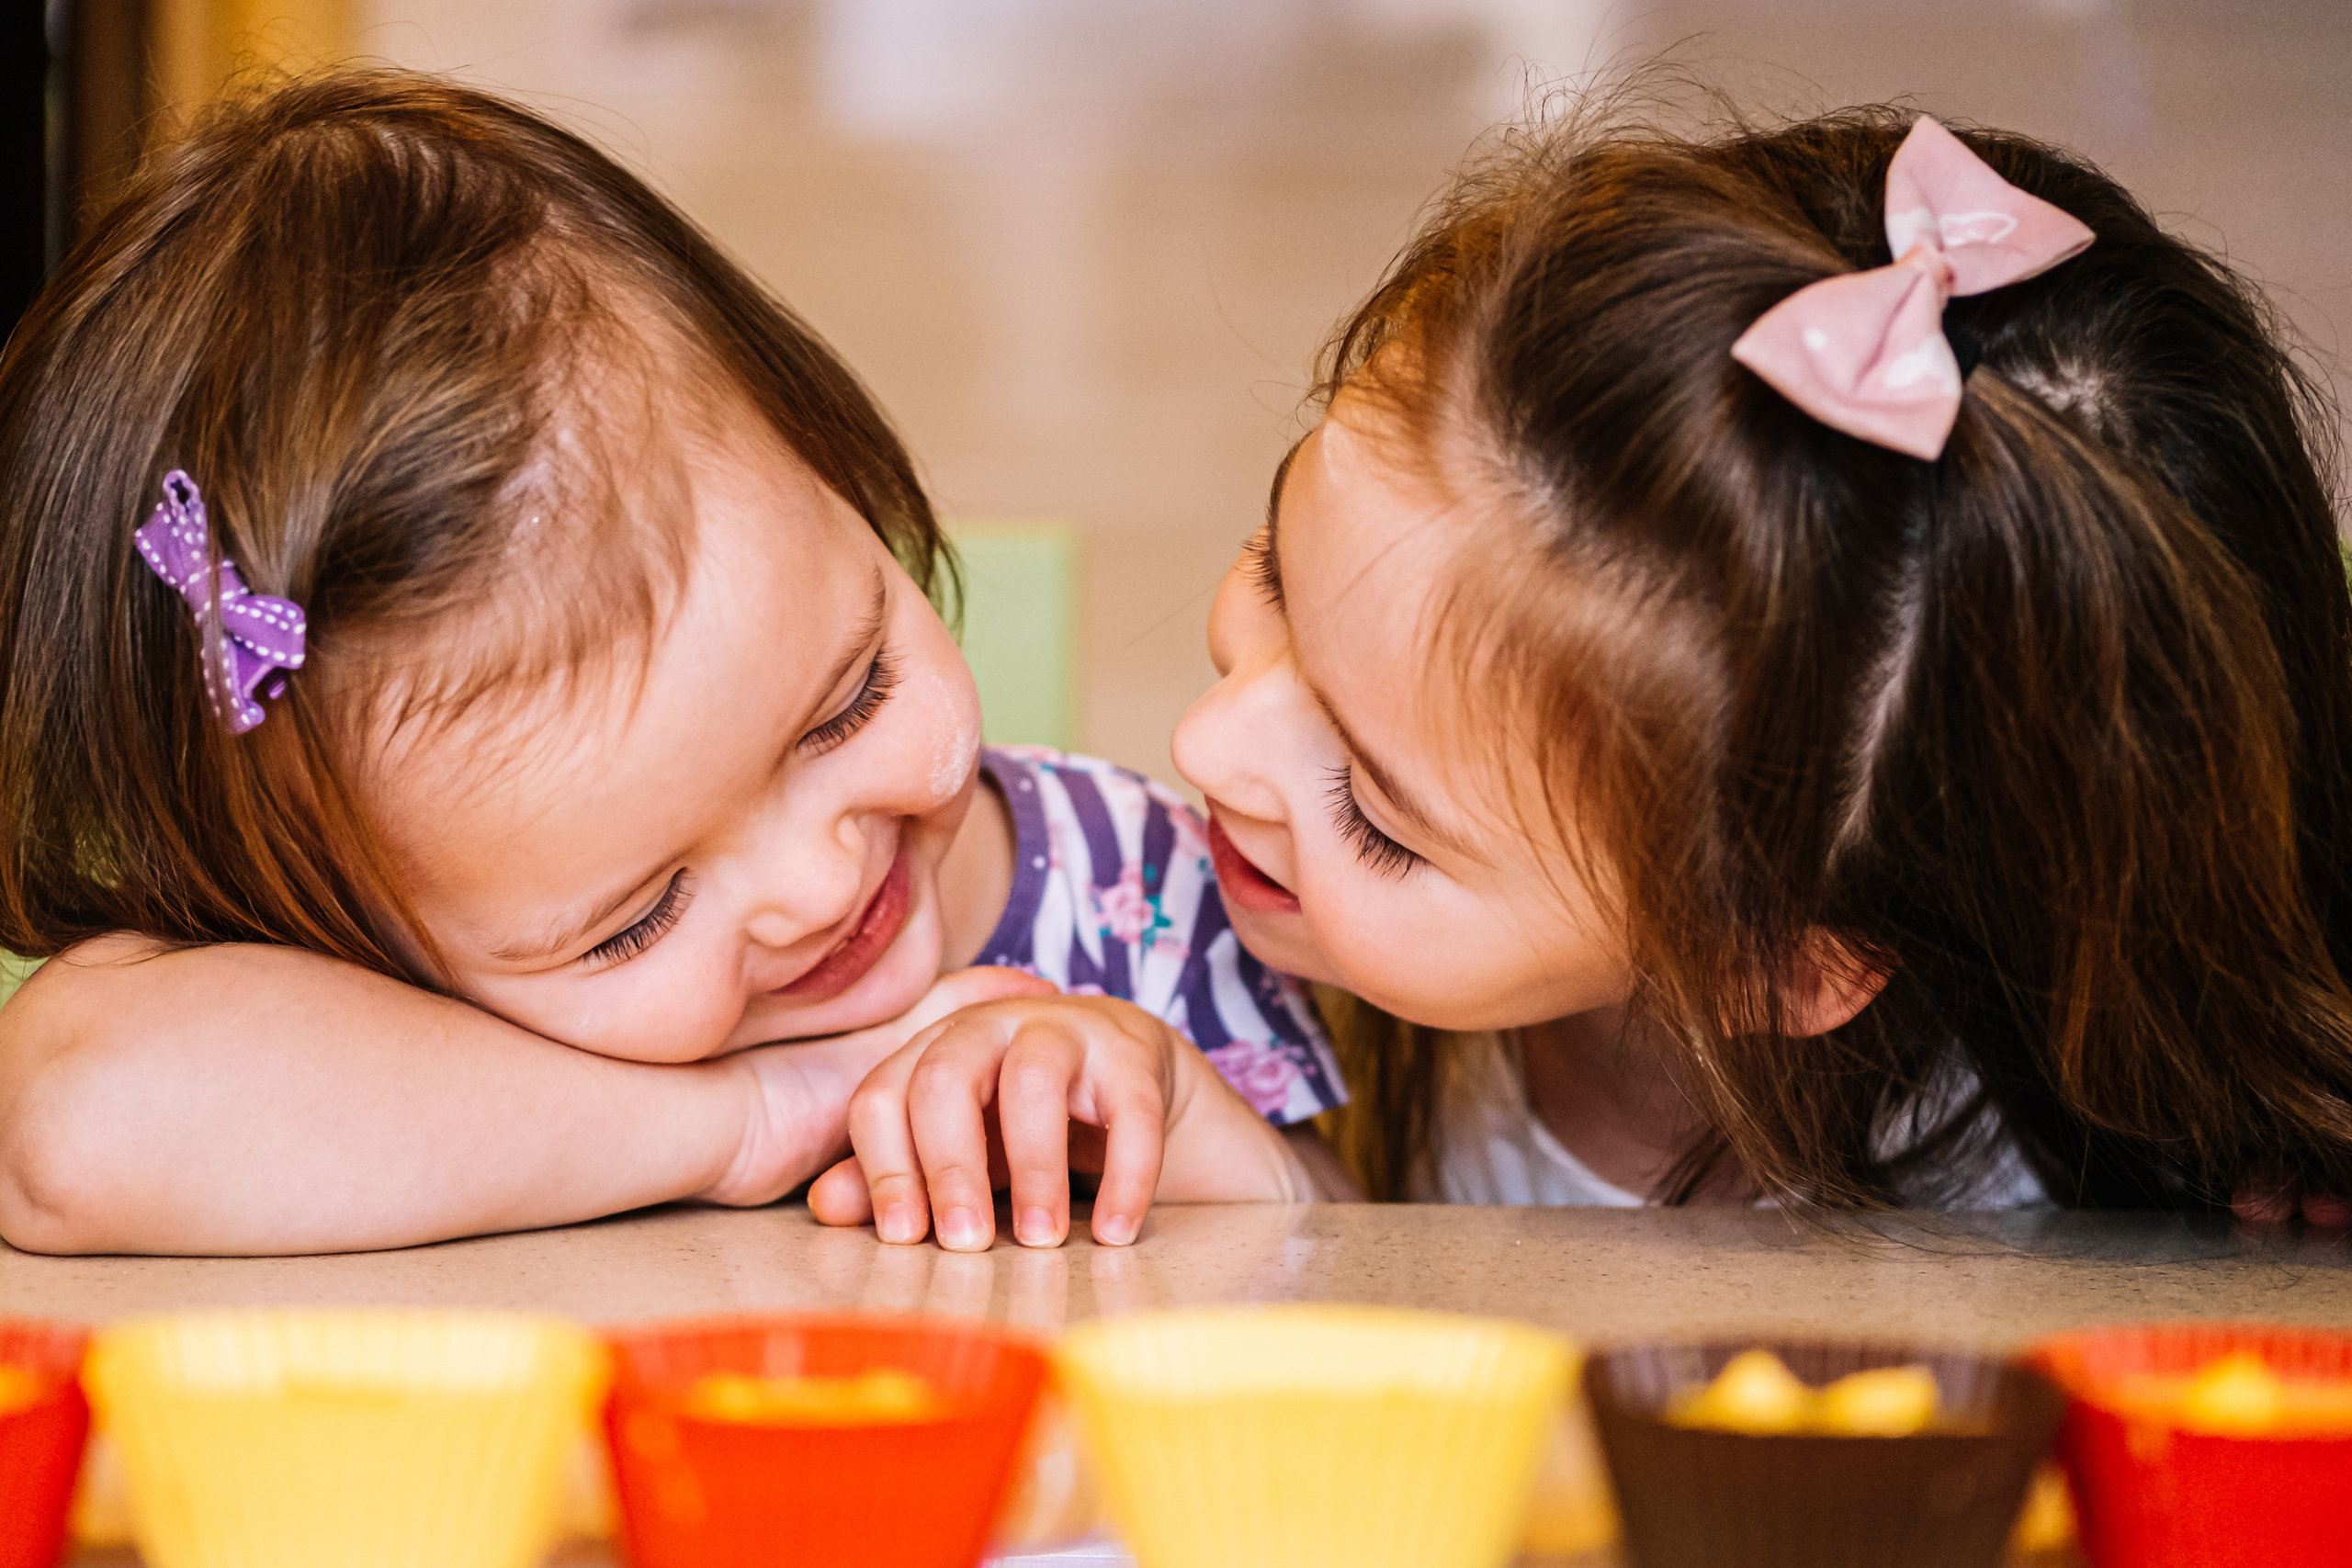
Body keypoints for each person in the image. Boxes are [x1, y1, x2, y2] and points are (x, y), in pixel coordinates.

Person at [859, 104, 2352, 1228]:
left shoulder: (2137, 1171)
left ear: (1768, 956)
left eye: (1379, 817)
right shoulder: (1170, 933)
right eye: (1273, 572)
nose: (1211, 747)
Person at [0, 70, 1346, 1258]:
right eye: (637, 917)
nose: (817, 886)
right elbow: (76, 1122)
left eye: (847, 702)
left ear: (841, 470)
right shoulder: (382, 1012)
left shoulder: (1161, 901)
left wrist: (1181, 1116)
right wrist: (752, 1118)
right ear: (348, 926)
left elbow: (1380, 1275)